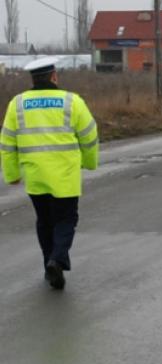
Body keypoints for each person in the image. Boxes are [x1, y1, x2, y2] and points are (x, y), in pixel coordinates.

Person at [0, 57, 99, 290]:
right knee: (66, 219)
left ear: (33, 79)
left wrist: (12, 174)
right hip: (65, 176)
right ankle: (57, 259)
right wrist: (89, 162)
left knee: (44, 222)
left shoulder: (17, 103)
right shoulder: (71, 101)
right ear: (54, 76)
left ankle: (49, 266)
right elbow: (89, 135)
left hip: (35, 176)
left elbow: (7, 142)